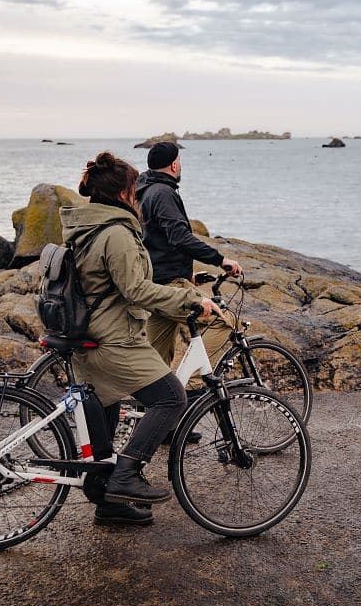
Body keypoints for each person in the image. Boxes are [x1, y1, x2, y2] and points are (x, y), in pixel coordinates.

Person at [61, 151, 222, 527]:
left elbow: (115, 282)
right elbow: (135, 289)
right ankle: (126, 475)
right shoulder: (116, 232)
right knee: (171, 397)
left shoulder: (89, 228)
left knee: (108, 405)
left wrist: (188, 283)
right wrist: (189, 300)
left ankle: (110, 502)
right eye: (134, 189)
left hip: (91, 335)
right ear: (123, 194)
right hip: (113, 339)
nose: (138, 196)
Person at [136, 141, 242, 366]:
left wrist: (188, 274)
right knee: (225, 321)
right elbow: (179, 237)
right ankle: (195, 386)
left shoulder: (144, 192)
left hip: (155, 285)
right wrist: (221, 260)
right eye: (180, 161)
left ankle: (159, 400)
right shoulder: (163, 193)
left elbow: (154, 242)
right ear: (174, 165)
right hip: (169, 287)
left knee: (158, 359)